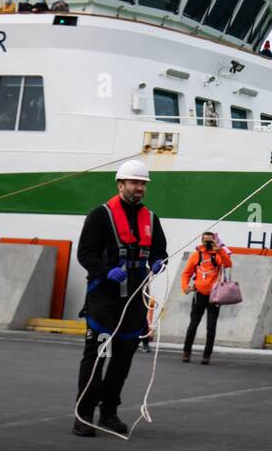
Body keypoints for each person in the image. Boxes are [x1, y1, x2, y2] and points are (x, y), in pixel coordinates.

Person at [74, 160, 168, 436]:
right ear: (120, 184)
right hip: (104, 299)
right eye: (134, 183)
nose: (139, 188)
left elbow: (160, 251)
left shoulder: (151, 219)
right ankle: (84, 414)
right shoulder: (99, 216)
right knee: (97, 357)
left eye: (143, 184)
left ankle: (109, 413)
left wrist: (158, 263)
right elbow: (85, 254)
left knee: (123, 358)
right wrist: (105, 271)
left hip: (135, 300)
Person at [180, 231, 233, 364]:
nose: (208, 243)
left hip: (215, 295)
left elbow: (228, 264)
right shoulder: (196, 255)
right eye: (206, 241)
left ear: (215, 240)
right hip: (199, 294)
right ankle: (186, 351)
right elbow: (186, 273)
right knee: (193, 324)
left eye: (211, 240)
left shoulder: (218, 254)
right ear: (201, 241)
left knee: (211, 326)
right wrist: (185, 287)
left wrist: (219, 249)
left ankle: (207, 354)